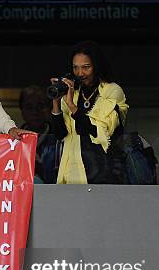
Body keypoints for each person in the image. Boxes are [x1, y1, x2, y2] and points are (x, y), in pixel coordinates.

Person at [50, 40, 128, 184]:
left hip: (103, 173)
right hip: (72, 173)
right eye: (75, 68)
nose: (80, 73)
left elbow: (99, 132)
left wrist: (72, 107)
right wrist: (56, 100)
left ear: (97, 66)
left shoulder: (111, 91)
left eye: (86, 67)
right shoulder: (71, 93)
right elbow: (60, 134)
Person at [19, 86, 59, 184]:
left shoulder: (59, 137)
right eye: (29, 107)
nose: (35, 112)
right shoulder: (14, 140)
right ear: (21, 109)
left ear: (49, 107)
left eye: (40, 106)